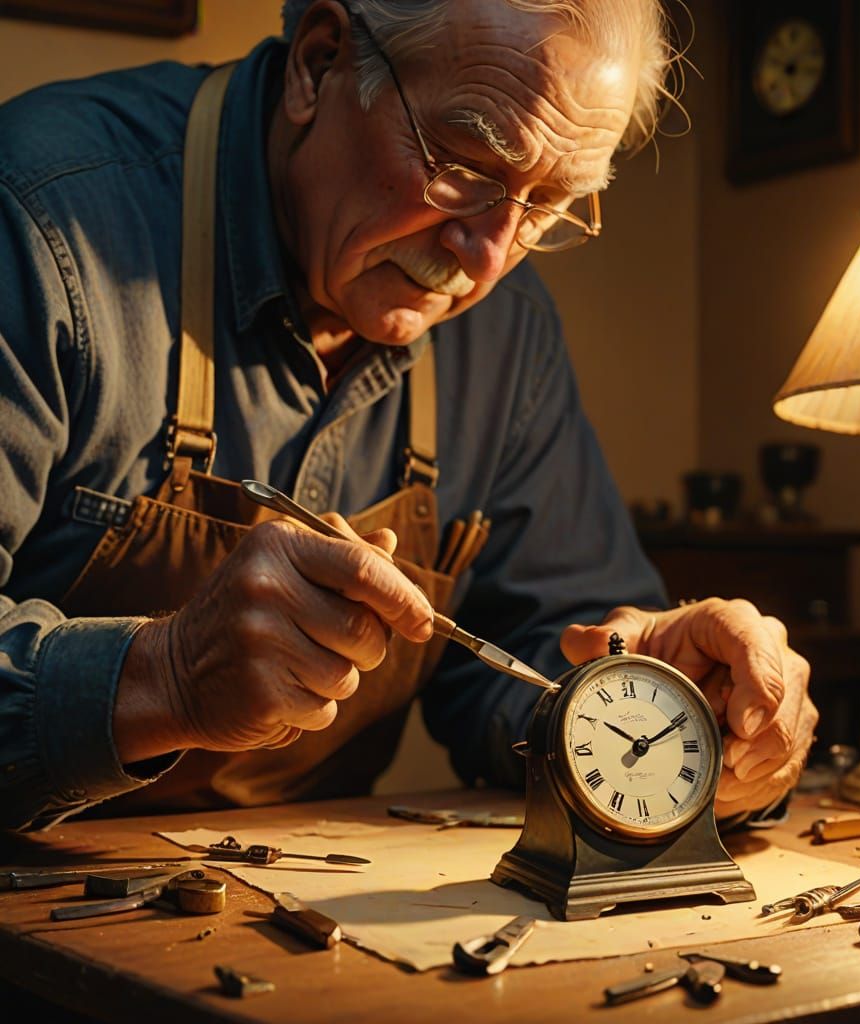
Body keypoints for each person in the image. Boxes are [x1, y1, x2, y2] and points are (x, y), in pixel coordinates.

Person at [0, 0, 816, 831]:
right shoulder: (39, 220)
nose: (489, 258)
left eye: (548, 205)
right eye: (466, 165)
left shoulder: (505, 333)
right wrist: (165, 679)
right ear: (318, 65)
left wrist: (673, 714)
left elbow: (528, 667)